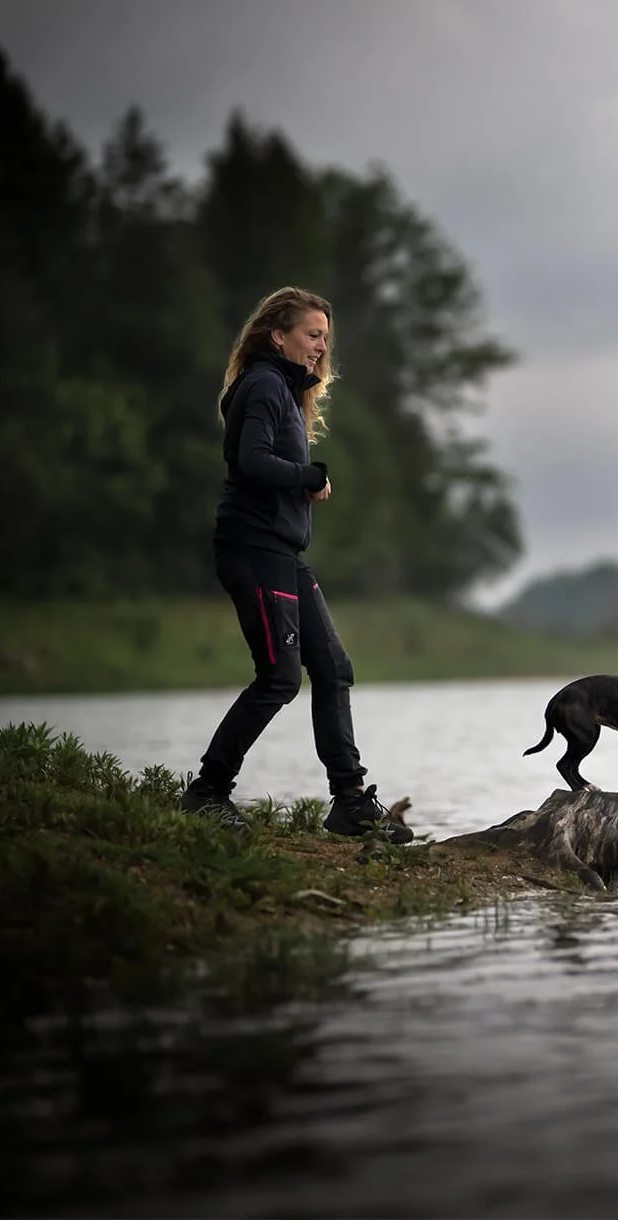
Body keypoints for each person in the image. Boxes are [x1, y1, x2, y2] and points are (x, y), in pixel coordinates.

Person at [179, 286, 413, 842]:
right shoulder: (262, 385)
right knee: (279, 678)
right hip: (254, 550)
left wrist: (303, 481)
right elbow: (251, 461)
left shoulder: (284, 390)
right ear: (277, 335)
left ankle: (350, 801)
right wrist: (307, 475)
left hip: (282, 553)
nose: (321, 347)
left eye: (325, 338)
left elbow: (268, 464)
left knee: (332, 667)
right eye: (312, 335)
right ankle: (207, 792)